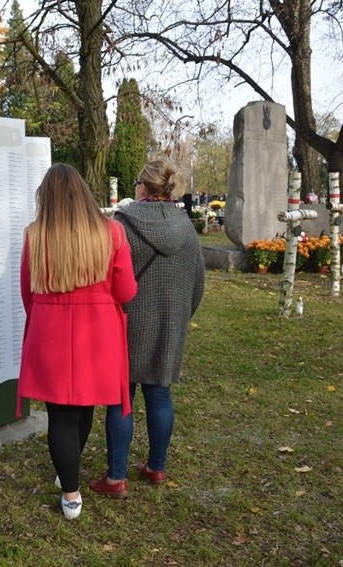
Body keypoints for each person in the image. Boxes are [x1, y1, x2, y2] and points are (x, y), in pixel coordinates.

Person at [17, 163, 137, 519]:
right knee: (85, 407)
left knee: (60, 414)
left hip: (49, 329)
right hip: (97, 333)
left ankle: (70, 490)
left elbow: (27, 290)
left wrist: (43, 316)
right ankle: (68, 479)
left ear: (46, 198)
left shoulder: (34, 234)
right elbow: (126, 290)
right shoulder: (111, 232)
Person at [89, 157, 205, 499]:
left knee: (121, 398)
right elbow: (198, 281)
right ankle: (156, 467)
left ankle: (116, 477)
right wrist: (181, 316)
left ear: (143, 185)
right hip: (170, 323)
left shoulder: (122, 224)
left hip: (124, 322)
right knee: (159, 393)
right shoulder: (186, 226)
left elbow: (105, 275)